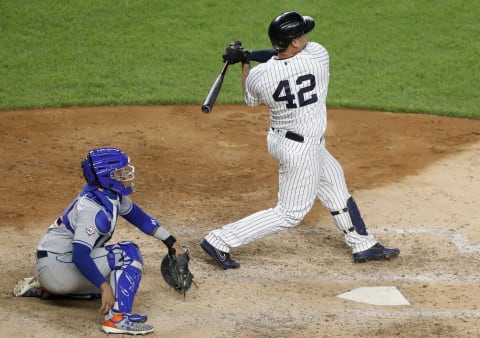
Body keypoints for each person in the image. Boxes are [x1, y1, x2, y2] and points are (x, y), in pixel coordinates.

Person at [200, 11, 400, 269]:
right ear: (294, 42)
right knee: (290, 213)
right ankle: (220, 240)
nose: (307, 35)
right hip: (302, 151)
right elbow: (277, 56)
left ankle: (362, 243)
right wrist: (250, 55)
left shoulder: (261, 77)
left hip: (285, 141)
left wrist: (245, 60)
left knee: (335, 183)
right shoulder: (317, 56)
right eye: (302, 33)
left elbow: (251, 98)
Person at [13, 147, 190, 335]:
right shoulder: (92, 208)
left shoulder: (108, 194)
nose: (125, 174)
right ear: (106, 176)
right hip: (58, 268)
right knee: (127, 253)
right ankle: (117, 319)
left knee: (119, 283)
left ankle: (46, 289)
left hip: (54, 265)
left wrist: (172, 243)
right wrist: (103, 286)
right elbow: (80, 255)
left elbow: (141, 219)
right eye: (119, 172)